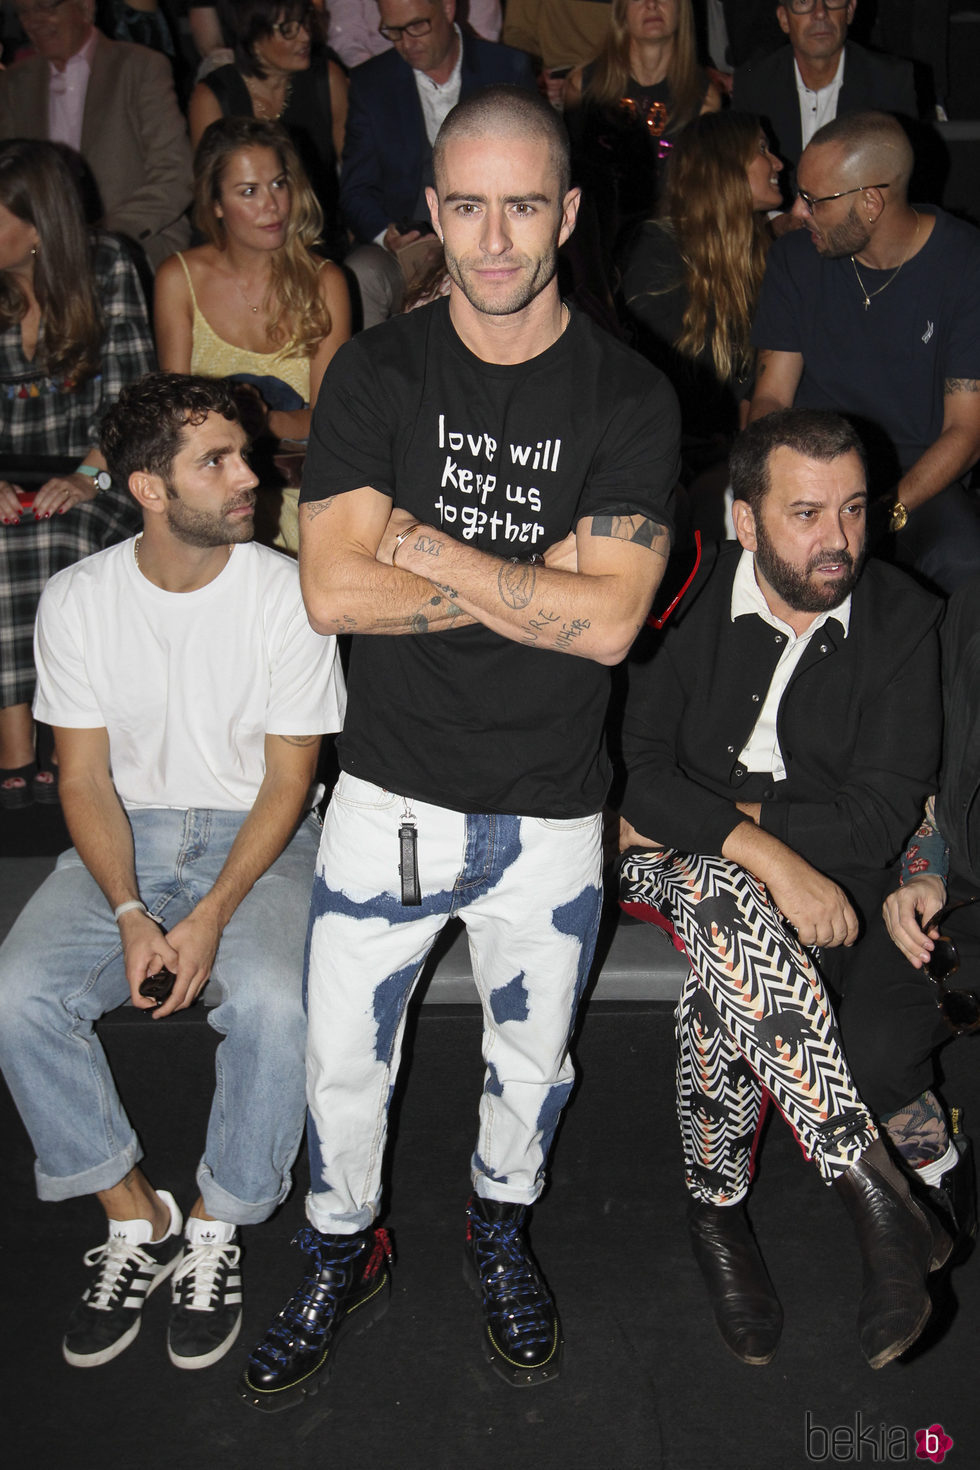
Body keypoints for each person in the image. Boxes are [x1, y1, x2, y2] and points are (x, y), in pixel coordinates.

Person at [240, 83, 680, 1411]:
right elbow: (332, 591)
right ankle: (339, 1241)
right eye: (469, 207)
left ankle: (500, 1228)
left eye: (525, 206)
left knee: (530, 1066)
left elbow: (610, 629)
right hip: (387, 792)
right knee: (342, 1062)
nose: (495, 240)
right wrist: (527, 575)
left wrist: (426, 542)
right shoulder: (376, 370)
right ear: (431, 212)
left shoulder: (630, 395)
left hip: (551, 809)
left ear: (571, 215)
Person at [0, 372, 346, 1374]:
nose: (253, 477)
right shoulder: (77, 599)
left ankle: (212, 1226)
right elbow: (82, 779)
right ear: (148, 489)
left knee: (278, 1002)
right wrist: (127, 909)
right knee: (16, 993)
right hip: (131, 833)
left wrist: (211, 915)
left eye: (246, 454)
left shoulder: (285, 592)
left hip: (262, 839)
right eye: (219, 462)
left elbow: (291, 783)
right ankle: (132, 1213)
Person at [619, 408, 950, 1369]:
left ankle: (717, 1215)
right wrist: (769, 852)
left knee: (722, 963)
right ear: (745, 519)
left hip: (766, 872)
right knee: (729, 889)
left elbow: (878, 819)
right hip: (661, 863)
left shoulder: (903, 618)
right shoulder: (680, 598)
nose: (837, 541)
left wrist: (730, 829)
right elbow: (634, 775)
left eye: (852, 510)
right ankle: (871, 1185)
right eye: (805, 514)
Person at [749, 110, 980, 595]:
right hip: (811, 471)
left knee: (965, 564)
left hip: (915, 479)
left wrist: (883, 512)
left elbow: (967, 431)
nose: (798, 211)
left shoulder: (965, 263)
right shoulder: (795, 258)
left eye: (815, 201)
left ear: (871, 202)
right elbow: (770, 397)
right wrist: (775, 486)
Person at [0, 139, 155, 810]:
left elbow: (129, 396)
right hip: (13, 473)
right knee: (7, 535)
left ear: (37, 228)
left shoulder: (108, 266)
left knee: (63, 540)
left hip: (104, 470)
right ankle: (12, 742)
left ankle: (69, 740)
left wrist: (90, 475)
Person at [841, 573, 980, 1254]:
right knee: (869, 1048)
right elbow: (933, 773)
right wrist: (925, 871)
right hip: (967, 890)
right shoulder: (964, 616)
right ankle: (943, 1170)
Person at [154, 117, 351, 552]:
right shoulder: (178, 279)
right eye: (249, 191)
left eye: (279, 185)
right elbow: (173, 420)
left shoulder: (325, 282)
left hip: (302, 494)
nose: (273, 206)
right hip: (210, 499)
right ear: (216, 203)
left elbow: (331, 420)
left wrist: (264, 421)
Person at [339, 0, 536, 326]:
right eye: (393, 31)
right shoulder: (371, 82)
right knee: (362, 274)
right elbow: (356, 190)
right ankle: (370, 376)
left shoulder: (507, 68)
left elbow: (531, 176)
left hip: (490, 242)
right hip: (403, 247)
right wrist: (387, 236)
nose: (406, 42)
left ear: (447, 9)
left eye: (417, 26)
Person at [622, 110, 782, 511]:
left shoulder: (763, 250)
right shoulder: (657, 251)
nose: (779, 163)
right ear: (724, 168)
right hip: (671, 461)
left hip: (735, 449)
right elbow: (674, 387)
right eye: (762, 150)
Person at [0, 0, 192, 270]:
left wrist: (100, 235)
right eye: (24, 12)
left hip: (133, 242)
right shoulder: (14, 83)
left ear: (86, 7)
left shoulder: (140, 67)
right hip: (41, 256)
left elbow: (176, 174)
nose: (34, 21)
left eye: (46, 7)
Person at [563, 0, 722, 271]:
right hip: (598, 251)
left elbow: (701, 196)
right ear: (621, 10)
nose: (652, 5)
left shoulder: (705, 98)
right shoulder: (582, 85)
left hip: (674, 250)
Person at [188, 0, 348, 261]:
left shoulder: (328, 78)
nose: (305, 36)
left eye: (305, 22)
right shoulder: (212, 97)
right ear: (253, 35)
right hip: (239, 245)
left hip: (317, 237)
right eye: (288, 29)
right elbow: (209, 195)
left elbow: (353, 171)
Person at [733, 0, 916, 225]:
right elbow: (740, 185)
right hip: (775, 242)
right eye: (803, 2)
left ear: (850, 10)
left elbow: (901, 187)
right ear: (783, 18)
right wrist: (776, 224)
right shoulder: (753, 84)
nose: (820, 13)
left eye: (832, 0)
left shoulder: (890, 81)